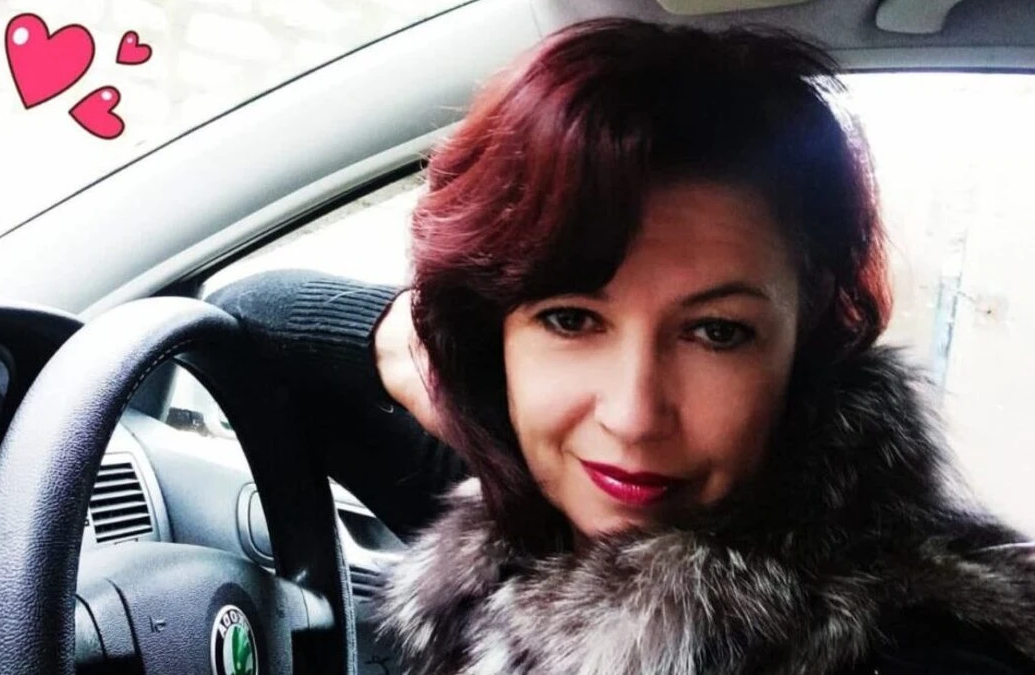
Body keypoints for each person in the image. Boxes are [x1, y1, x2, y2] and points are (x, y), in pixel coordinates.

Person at [207, 17, 1035, 675]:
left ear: (806, 337)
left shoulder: (913, 638)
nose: (635, 416)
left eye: (717, 332)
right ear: (494, 327)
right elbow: (252, 309)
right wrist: (445, 363)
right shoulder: (526, 513)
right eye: (570, 319)